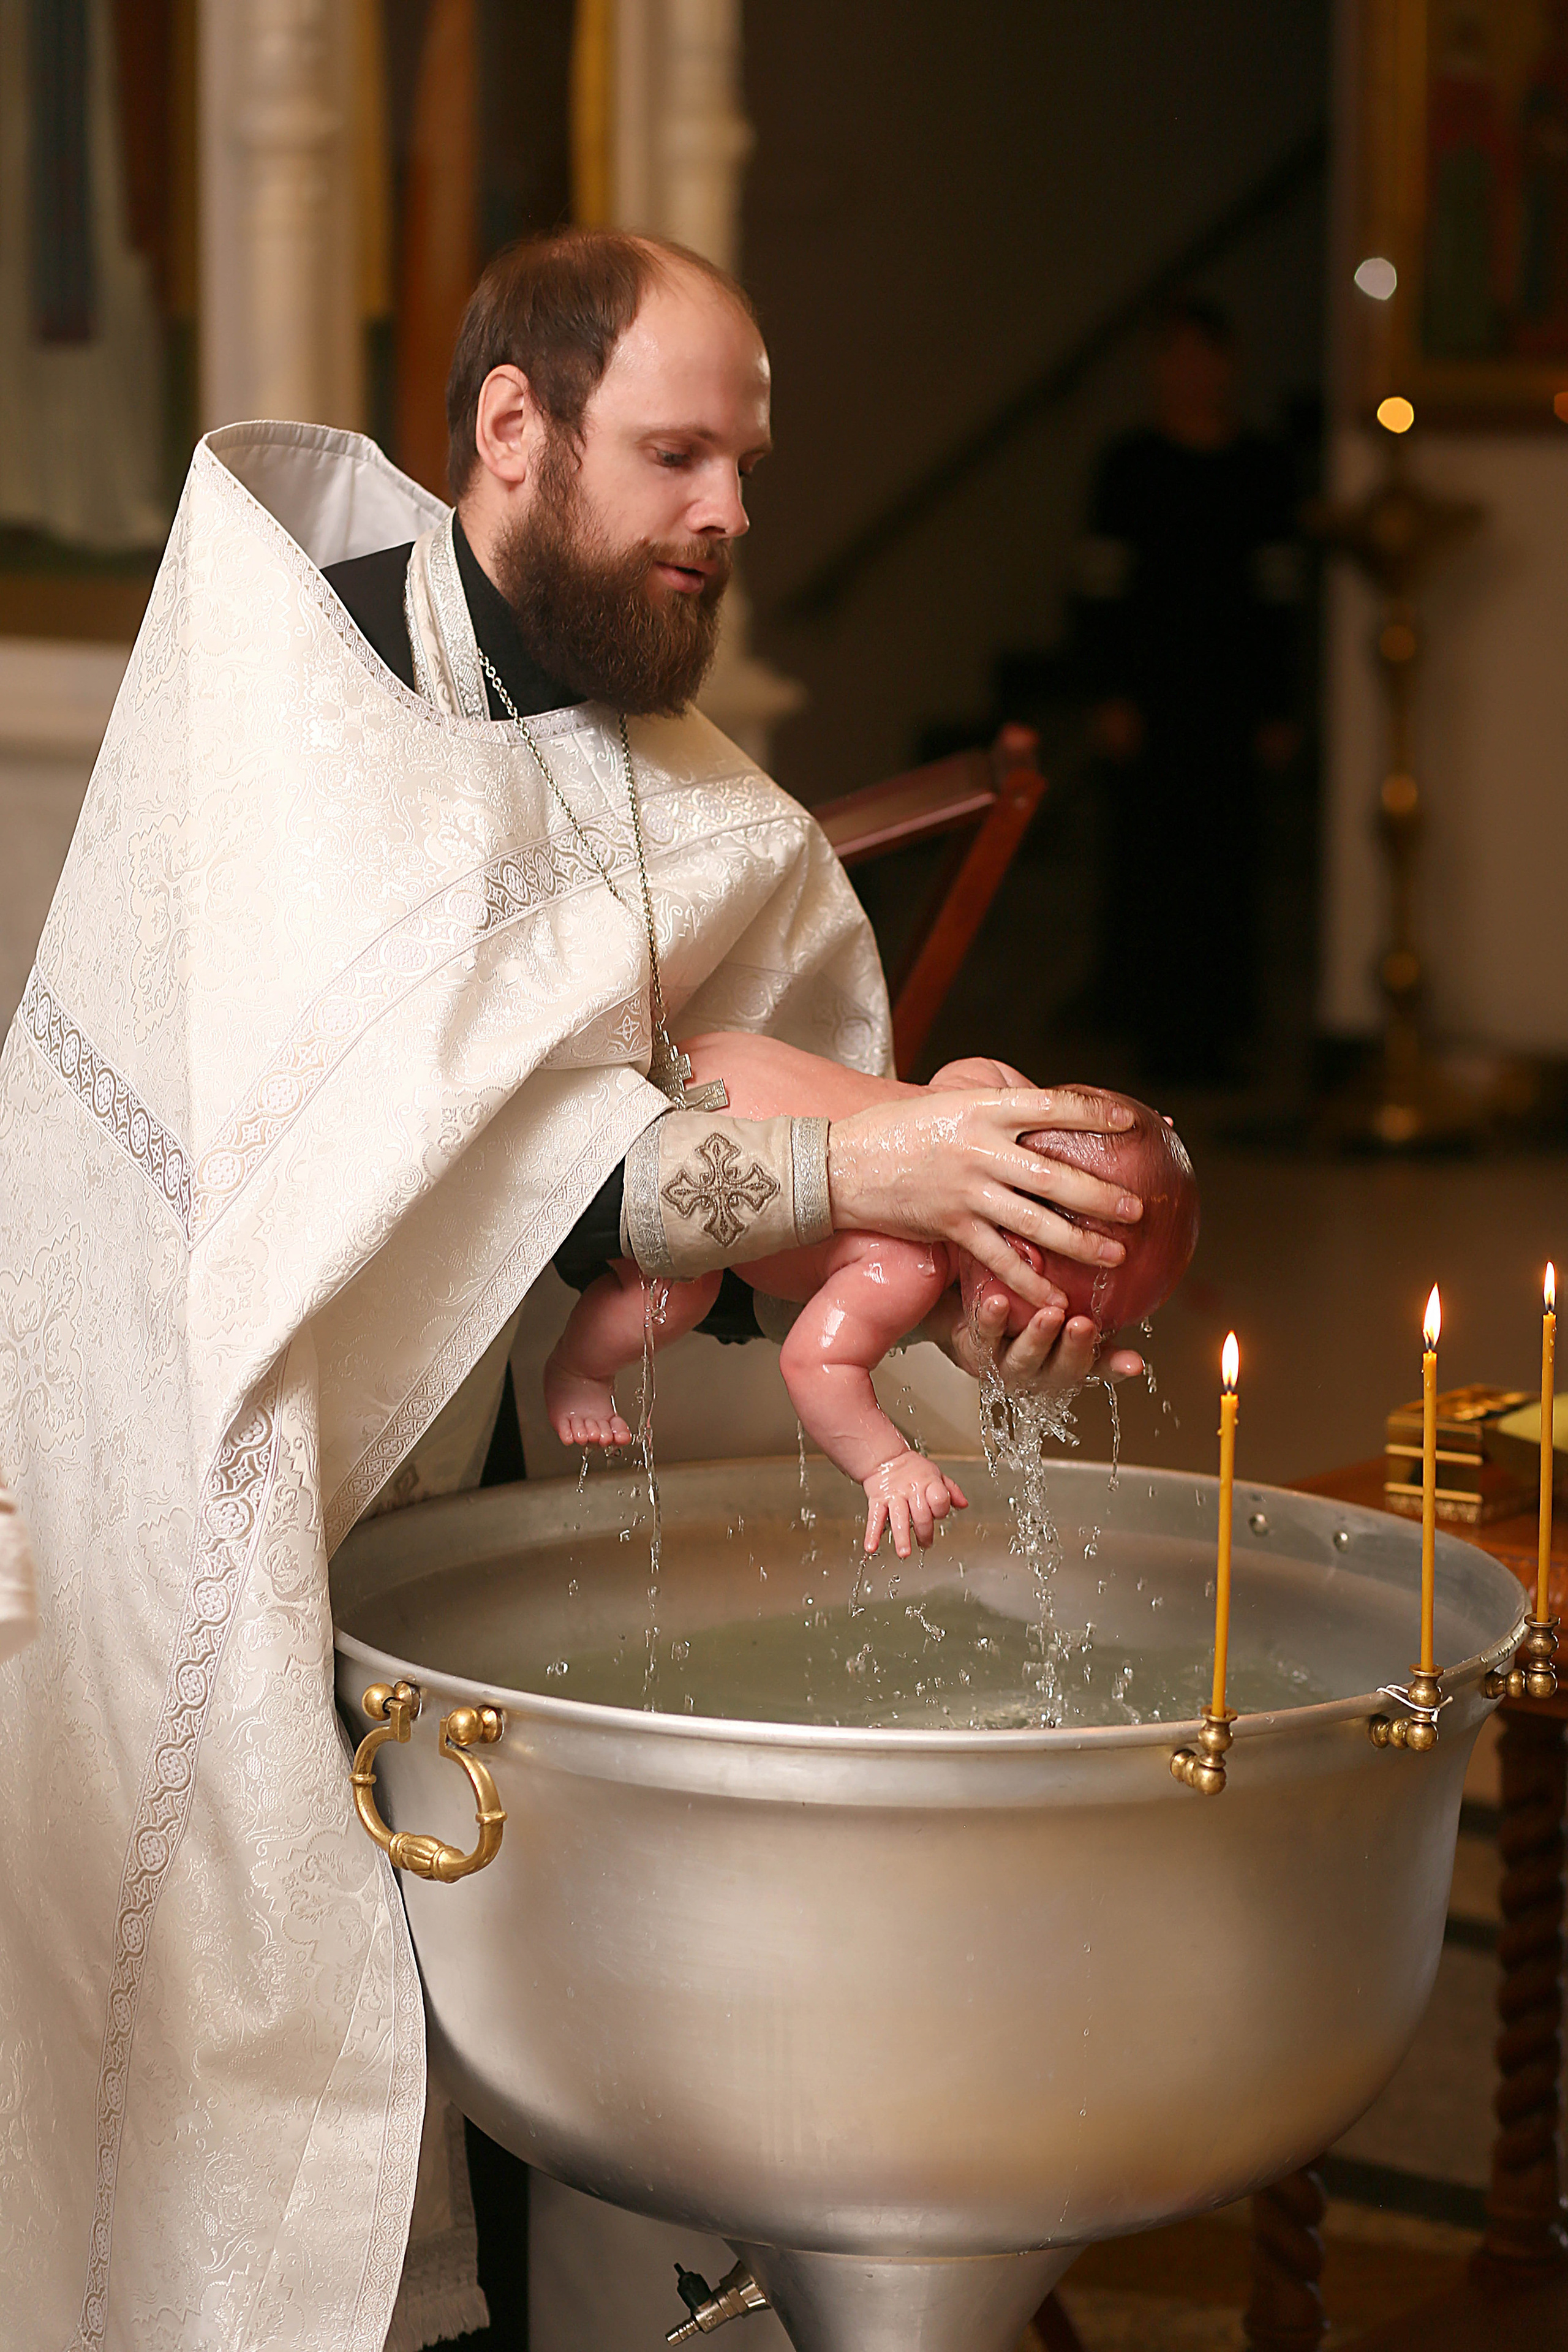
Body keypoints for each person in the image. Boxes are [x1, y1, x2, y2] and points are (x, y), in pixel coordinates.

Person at [0, 227, 1146, 2351]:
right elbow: (421, 1186)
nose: (727, 514)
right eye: (676, 456)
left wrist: (961, 1262)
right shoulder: (290, 715)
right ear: (510, 430)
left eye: (747, 466)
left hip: (518, 1538)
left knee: (572, 2141)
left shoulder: (696, 795)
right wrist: (854, 1156)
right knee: (304, 2157)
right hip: (237, 1517)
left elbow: (742, 1239)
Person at [1076, 293, 1302, 1086]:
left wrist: (1279, 706)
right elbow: (1099, 588)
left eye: (1207, 357)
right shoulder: (1130, 466)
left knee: (1227, 866)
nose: (1192, 374)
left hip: (1231, 703)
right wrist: (1110, 692)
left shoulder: (1263, 468)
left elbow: (1281, 597)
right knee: (1151, 863)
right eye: (1176, 357)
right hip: (1153, 700)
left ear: (1229, 366)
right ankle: (1154, 1028)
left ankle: (1219, 1031)